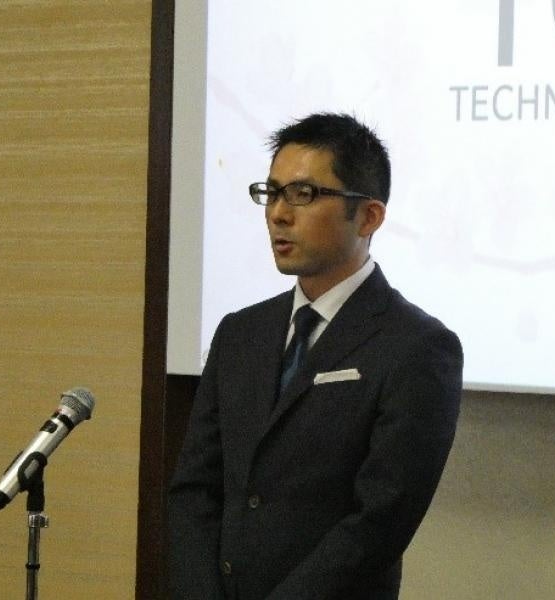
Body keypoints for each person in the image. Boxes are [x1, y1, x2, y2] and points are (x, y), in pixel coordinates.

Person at [168, 112, 463, 600]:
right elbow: (194, 490)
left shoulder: (418, 347)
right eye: (271, 193)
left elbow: (380, 522)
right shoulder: (240, 333)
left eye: (302, 194)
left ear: (368, 216)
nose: (278, 214)